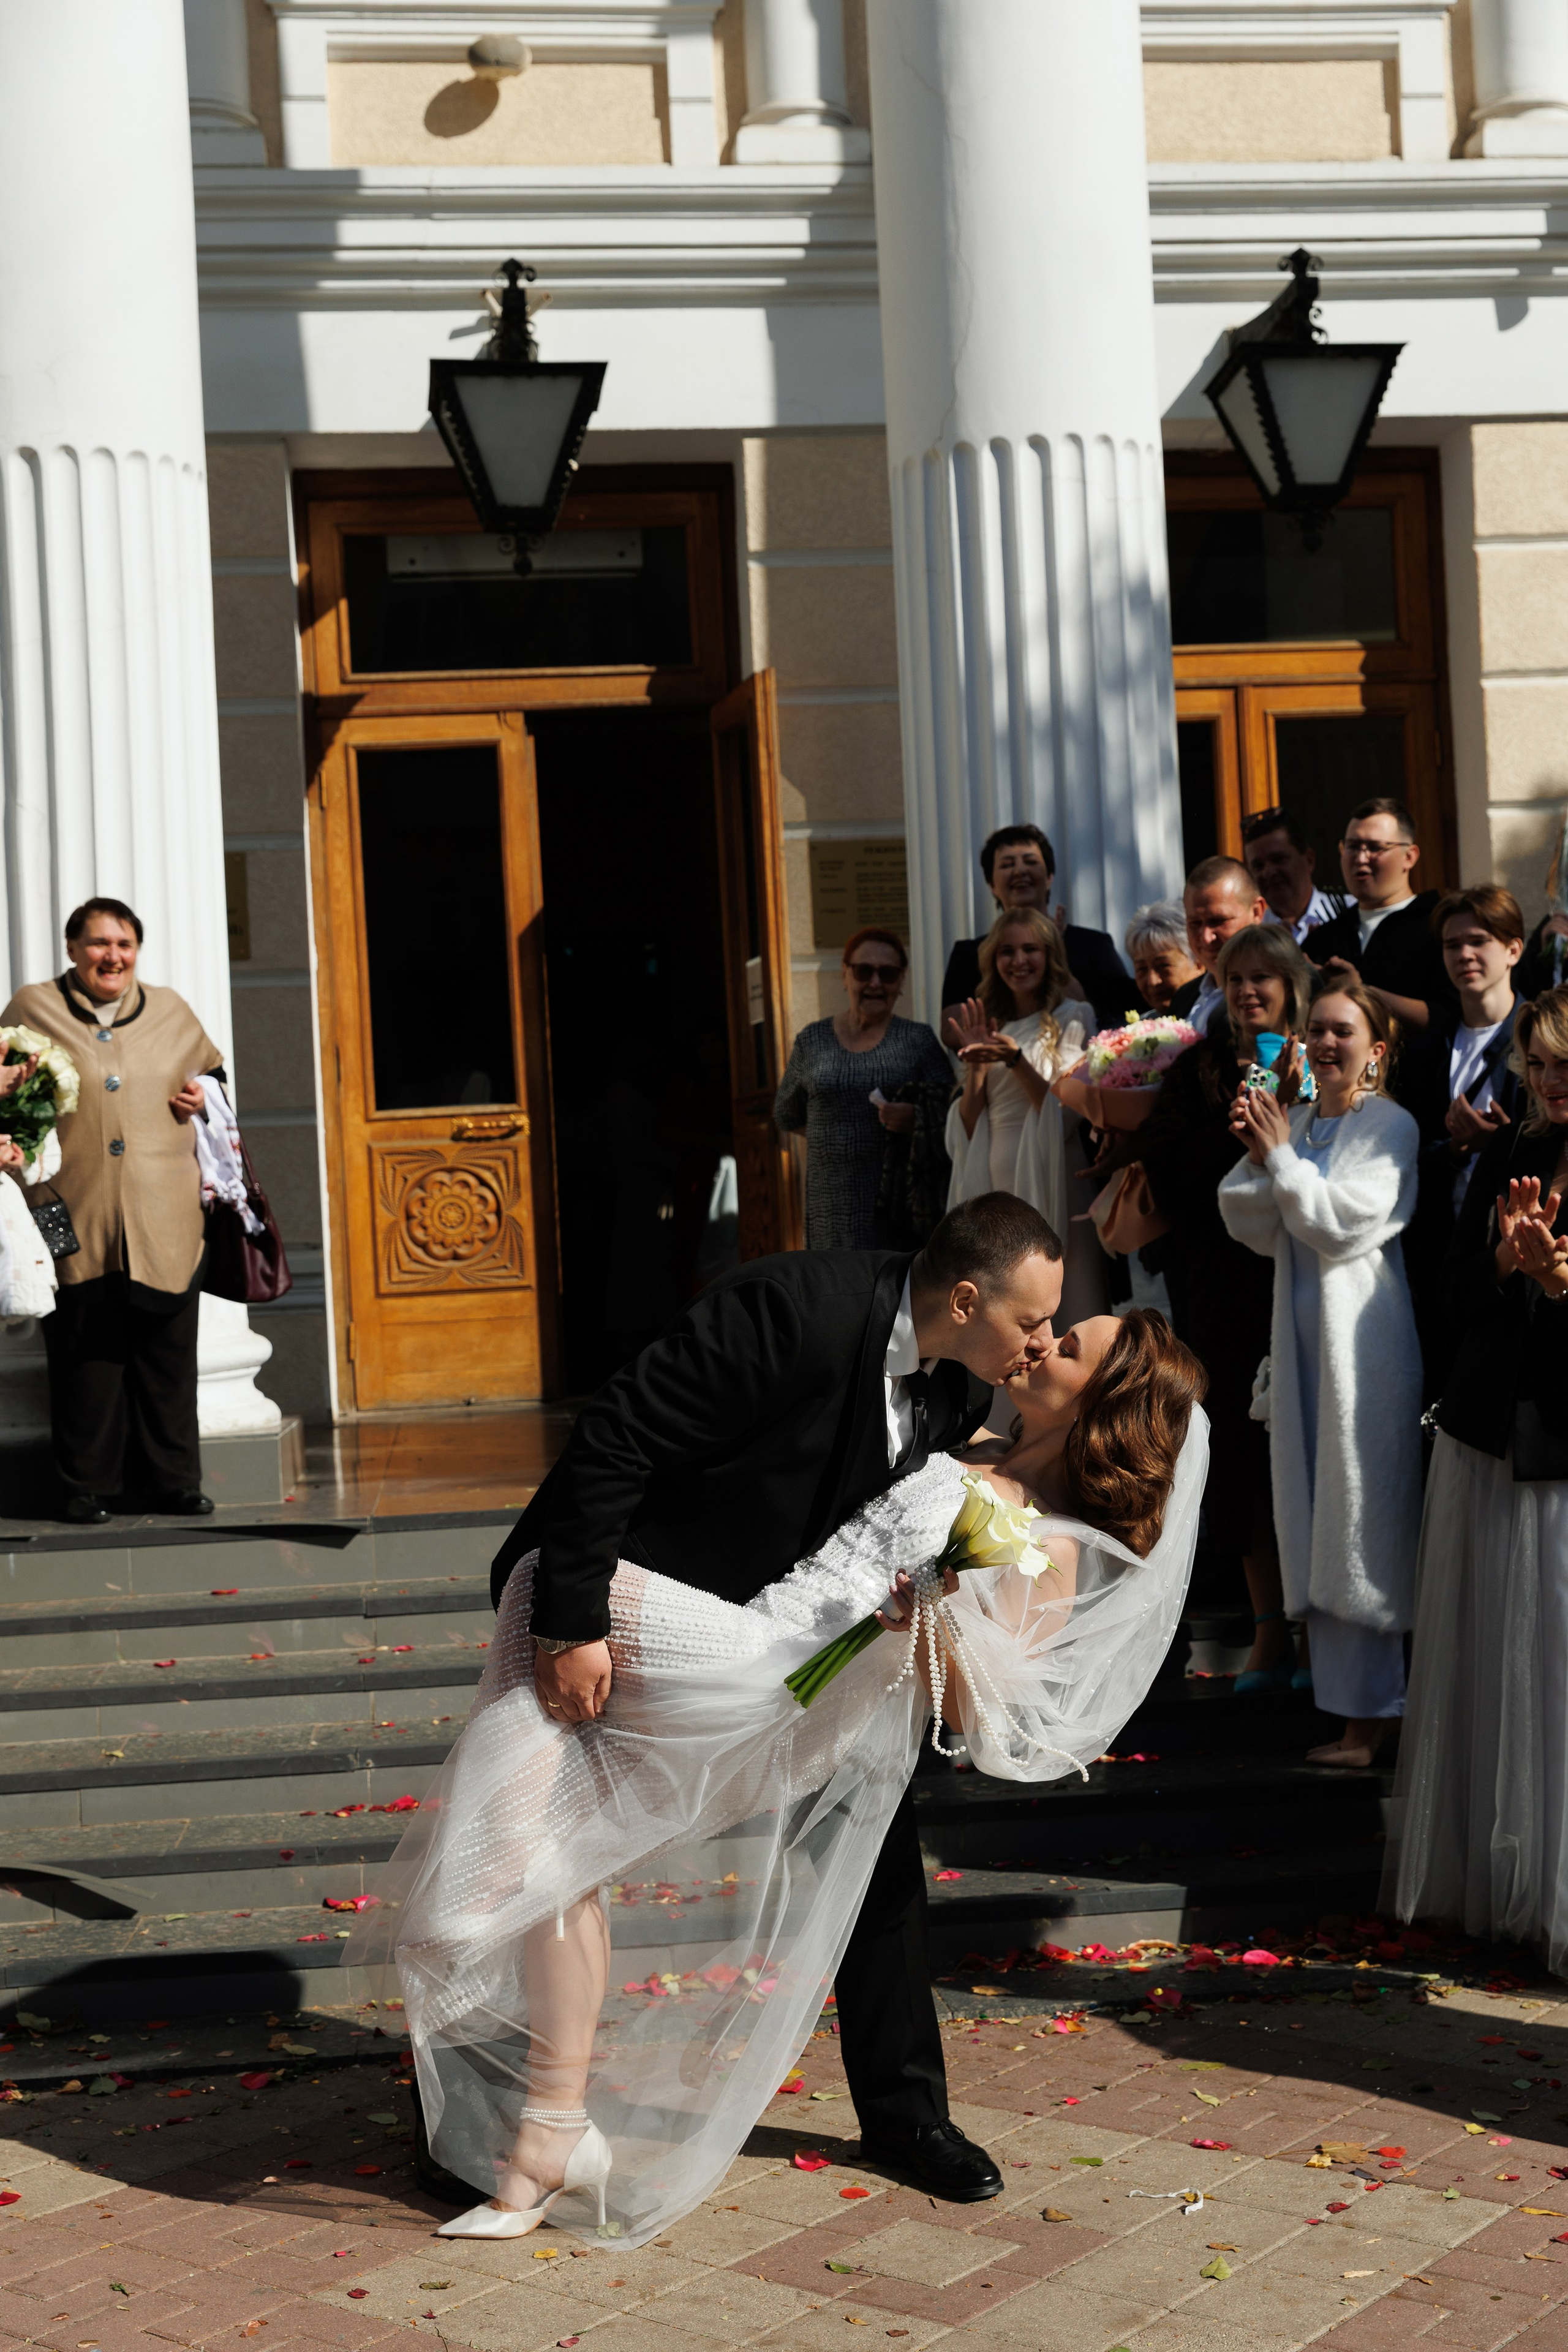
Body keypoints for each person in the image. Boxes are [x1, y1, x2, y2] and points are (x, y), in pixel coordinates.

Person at [356, 1287, 1208, 2246]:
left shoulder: (1048, 1545)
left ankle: (471, 1906)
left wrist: (935, 1612)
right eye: (1047, 1328)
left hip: (794, 1694)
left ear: (1104, 1403)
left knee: (547, 1586)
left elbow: (984, 1714)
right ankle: (547, 2128)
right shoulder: (962, 1438)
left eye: (1071, 1346)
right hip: (761, 1634)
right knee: (559, 1844)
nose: (1044, 1343)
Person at [1385, 987, 1568, 1966]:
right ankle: (1507, 1890)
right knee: (1497, 1667)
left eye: (1565, 1067)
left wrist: (1562, 1285)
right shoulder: (1507, 1153)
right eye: (1538, 1064)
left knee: (1558, 1676)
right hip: (1490, 1437)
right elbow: (1448, 1291)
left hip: (1564, 1455)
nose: (1548, 1083)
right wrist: (1504, 1261)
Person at [1220, 978, 1422, 1766]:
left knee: (1360, 1525)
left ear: (1375, 1051)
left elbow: (1341, 1225)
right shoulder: (1298, 1125)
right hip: (1303, 1352)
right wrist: (1261, 1153)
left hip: (1363, 1357)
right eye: (1316, 1032)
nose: (1327, 1044)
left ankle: (1371, 1722)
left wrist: (1278, 1160)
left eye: (1344, 1032)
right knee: (1315, 1517)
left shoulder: (1390, 1126)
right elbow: (1248, 1218)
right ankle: (1352, 1716)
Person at [1, 899, 222, 1523]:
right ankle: (83, 1486)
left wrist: (202, 1096)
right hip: (71, 1207)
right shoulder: (31, 1010)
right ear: (72, 949)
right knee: (83, 1356)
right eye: (99, 943)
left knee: (168, 1356)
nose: (112, 956)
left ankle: (175, 1482)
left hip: (166, 1212)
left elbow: (215, 1084)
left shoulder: (172, 1010)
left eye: (124, 944)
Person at [1139, 922, 1314, 1690]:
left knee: (1310, 1453)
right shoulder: (1200, 1068)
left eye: (1263, 978)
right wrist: (1240, 1125)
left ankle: (1323, 1631)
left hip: (1302, 1278)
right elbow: (1167, 1166)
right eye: (1235, 978)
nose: (1247, 992)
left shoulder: (1322, 1054)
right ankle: (1269, 1629)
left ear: (1289, 986)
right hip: (1219, 1285)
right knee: (1242, 1458)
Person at [944, 907, 1102, 1322]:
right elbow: (968, 1124)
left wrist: (1017, 1060)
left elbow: (1067, 1112)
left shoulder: (1074, 1016)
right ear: (993, 960)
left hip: (1053, 1171)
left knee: (1067, 1304)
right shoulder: (990, 1021)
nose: (1018, 961)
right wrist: (977, 1067)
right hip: (994, 1177)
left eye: (1030, 949)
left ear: (1050, 955)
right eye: (1007, 951)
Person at [1401, 886, 1526, 1397]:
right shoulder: (1427, 1049)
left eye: (1479, 941)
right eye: (1453, 945)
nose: (1465, 955)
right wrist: (1455, 1151)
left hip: (1523, 1255)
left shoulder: (1541, 1035)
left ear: (1513, 950)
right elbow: (1404, 1153)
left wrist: (1501, 1142)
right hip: (1446, 1257)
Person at [774, 928, 952, 1250]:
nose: (875, 983)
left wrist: (916, 1120)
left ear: (900, 982)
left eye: (887, 974)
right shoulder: (812, 1040)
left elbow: (954, 1113)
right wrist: (833, 1134)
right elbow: (787, 1114)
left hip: (897, 1207)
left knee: (890, 1294)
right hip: (829, 1206)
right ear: (845, 974)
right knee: (833, 1291)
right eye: (863, 971)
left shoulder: (919, 1041)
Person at [940, 823, 1132, 1036]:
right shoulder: (969, 954)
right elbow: (951, 1031)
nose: (1020, 870)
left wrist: (1056, 956)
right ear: (992, 885)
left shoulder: (1093, 945)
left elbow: (1124, 1017)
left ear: (1049, 878)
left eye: (1030, 862)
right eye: (1007, 865)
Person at [1304, 797, 1450, 1034]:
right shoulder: (1326, 937)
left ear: (1409, 857)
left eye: (1375, 848)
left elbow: (1447, 1017)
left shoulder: (1440, 926)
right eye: (1352, 847)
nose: (1361, 858)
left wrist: (1360, 991)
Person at [1167, 857, 1270, 1035]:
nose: (1207, 937)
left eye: (1218, 921)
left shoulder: (1282, 990)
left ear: (1256, 912)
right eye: (1195, 923)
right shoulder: (1184, 997)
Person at [1241, 805, 1350, 944]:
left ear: (1309, 860)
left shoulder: (1350, 914)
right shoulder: (1251, 938)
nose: (1269, 872)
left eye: (1278, 859)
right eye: (1258, 866)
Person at [1125, 902, 1200, 1014]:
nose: (1153, 981)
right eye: (1141, 969)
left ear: (1199, 963)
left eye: (1163, 966)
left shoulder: (1215, 1022)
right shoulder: (1141, 1028)